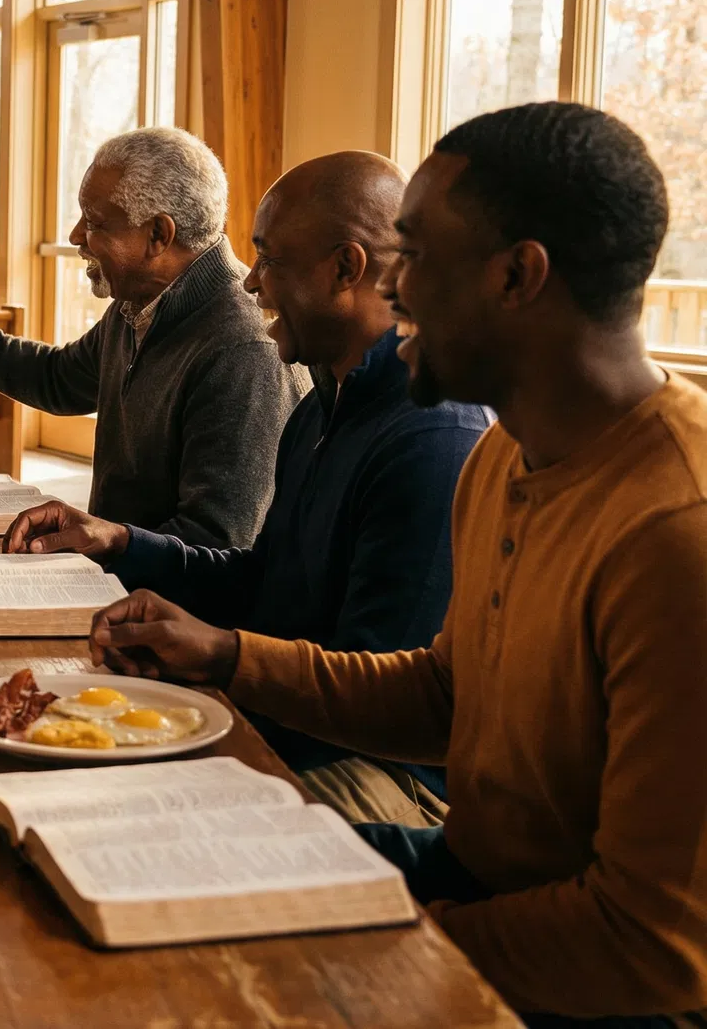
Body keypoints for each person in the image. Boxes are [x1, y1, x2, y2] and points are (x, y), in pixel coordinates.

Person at [86, 103, 707, 1026]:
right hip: (467, 869)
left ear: (517, 276)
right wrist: (223, 657)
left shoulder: (674, 534)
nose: (394, 291)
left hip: (584, 974)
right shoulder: (506, 454)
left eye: (414, 258)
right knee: (128, 850)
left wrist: (379, 933)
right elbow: (446, 698)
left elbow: (650, 948)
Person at [4, 151, 490, 826]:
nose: (253, 282)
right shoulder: (323, 405)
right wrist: (119, 542)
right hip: (294, 721)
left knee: (109, 817)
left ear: (345, 269)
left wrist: (217, 664)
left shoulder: (431, 440)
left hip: (385, 776)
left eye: (269, 260)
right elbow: (266, 580)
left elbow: (381, 701)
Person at [0, 126, 306, 548]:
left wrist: (101, 546)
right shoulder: (138, 308)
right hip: (117, 585)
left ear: (158, 235)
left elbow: (217, 543)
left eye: (94, 222)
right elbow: (56, 378)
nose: (76, 236)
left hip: (169, 615)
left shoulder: (244, 354)